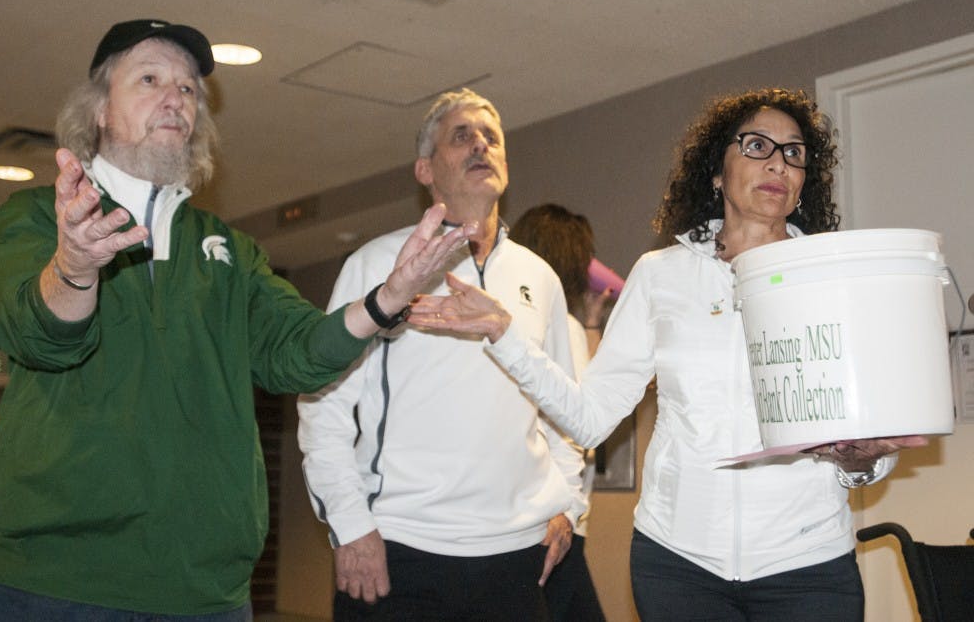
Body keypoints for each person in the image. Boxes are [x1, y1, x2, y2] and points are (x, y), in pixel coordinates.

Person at [0, 19, 473, 620]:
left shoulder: (228, 250)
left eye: (189, 90)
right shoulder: (29, 219)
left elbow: (298, 353)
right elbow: (39, 335)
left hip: (206, 594)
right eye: (151, 79)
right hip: (57, 587)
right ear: (101, 111)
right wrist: (76, 265)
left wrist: (387, 299)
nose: (175, 99)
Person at [407, 88, 928, 621]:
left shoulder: (831, 279)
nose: (778, 162)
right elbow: (589, 419)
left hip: (808, 564)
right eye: (757, 146)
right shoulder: (660, 276)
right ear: (717, 172)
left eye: (794, 152)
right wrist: (504, 333)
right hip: (679, 566)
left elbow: (869, 436)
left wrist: (865, 458)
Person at [297, 88, 587, 621]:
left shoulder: (539, 278)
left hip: (517, 557)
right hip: (398, 549)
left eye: (491, 137)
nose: (481, 144)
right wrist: (350, 523)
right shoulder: (377, 266)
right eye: (462, 136)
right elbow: (323, 407)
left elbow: (567, 412)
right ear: (425, 170)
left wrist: (568, 506)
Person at [508, 204, 614, 621]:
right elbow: (584, 418)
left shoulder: (519, 323)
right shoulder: (559, 325)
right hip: (557, 521)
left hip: (529, 516)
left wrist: (588, 323)